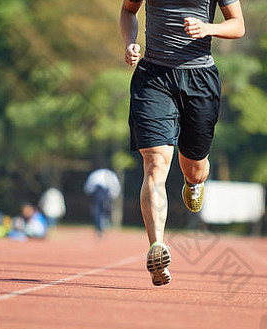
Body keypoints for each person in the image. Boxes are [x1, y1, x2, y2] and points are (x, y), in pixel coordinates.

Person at [120, 0, 245, 285]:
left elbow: (238, 25)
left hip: (199, 78)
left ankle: (194, 182)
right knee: (155, 162)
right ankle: (157, 247)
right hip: (153, 77)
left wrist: (208, 28)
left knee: (194, 167)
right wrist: (129, 43)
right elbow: (128, 10)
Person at [83, 168, 121, 236]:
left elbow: (88, 186)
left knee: (98, 211)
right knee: (103, 210)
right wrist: (113, 195)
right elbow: (115, 186)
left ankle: (100, 226)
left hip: (98, 191)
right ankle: (102, 225)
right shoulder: (110, 174)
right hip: (104, 192)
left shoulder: (95, 174)